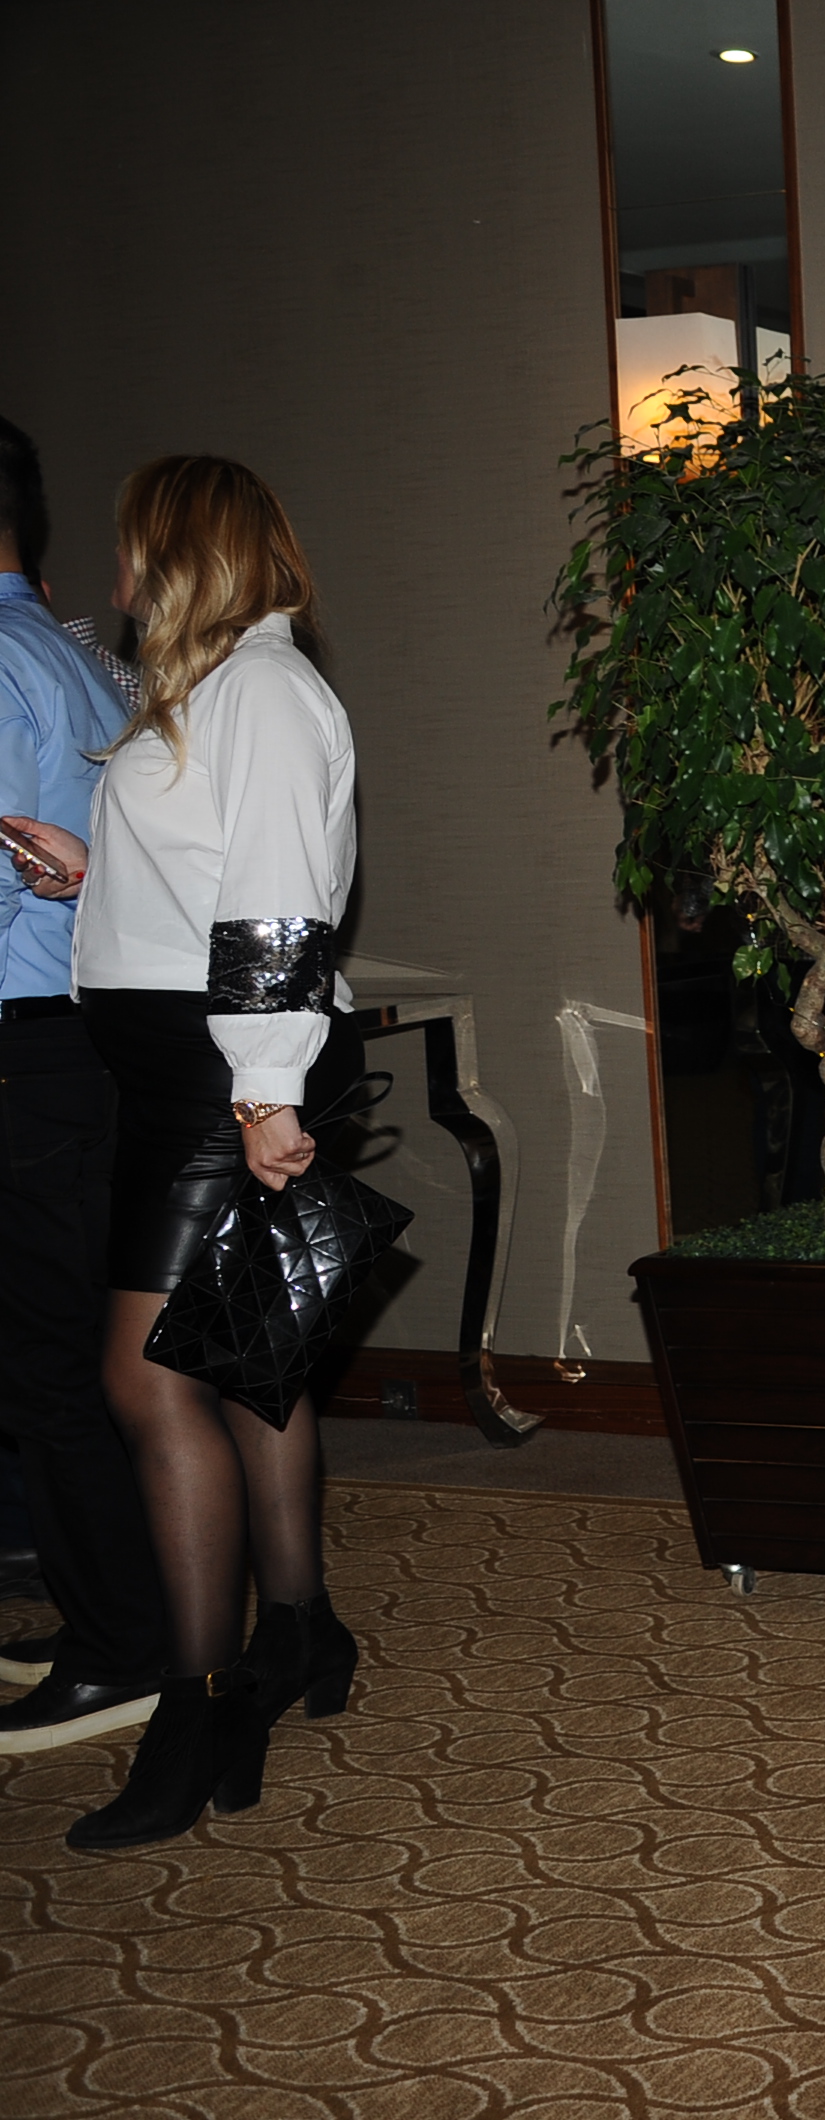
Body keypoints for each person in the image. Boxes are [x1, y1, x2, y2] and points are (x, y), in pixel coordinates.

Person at [7, 457, 366, 1850]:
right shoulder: (214, 693)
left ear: (184, 554)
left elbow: (278, 903)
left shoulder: (263, 691)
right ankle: (301, 1629)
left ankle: (196, 1702)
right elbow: (210, 876)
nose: (117, 579)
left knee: (146, 1377)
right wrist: (93, 868)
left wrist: (267, 1095)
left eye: (135, 551)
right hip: (187, 1066)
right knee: (246, 1358)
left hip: (225, 1075)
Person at [0, 416, 164, 1759]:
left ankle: (122, 1648)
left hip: (25, 1046)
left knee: (51, 1366)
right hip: (88, 1037)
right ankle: (120, 1614)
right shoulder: (82, 655)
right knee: (88, 1356)